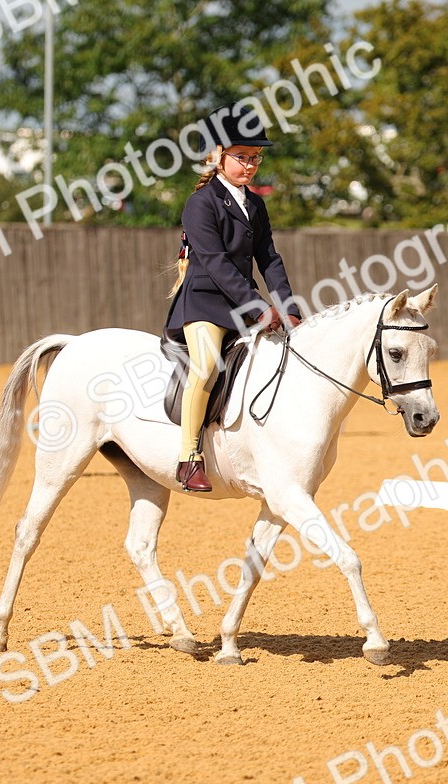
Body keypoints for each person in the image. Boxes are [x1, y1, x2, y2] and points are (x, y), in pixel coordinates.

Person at [163, 102, 302, 493]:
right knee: (206, 367)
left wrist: (288, 308)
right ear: (217, 157)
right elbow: (218, 264)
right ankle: (189, 457)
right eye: (241, 157)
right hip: (205, 303)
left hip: (241, 305)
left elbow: (269, 259)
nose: (250, 165)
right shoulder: (200, 204)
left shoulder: (255, 204)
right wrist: (260, 306)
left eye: (255, 157)